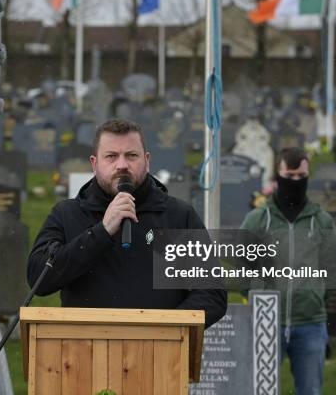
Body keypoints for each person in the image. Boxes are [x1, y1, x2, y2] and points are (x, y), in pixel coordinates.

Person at [27, 119, 227, 328]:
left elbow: (212, 295)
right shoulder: (67, 214)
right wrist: (100, 233)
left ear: (147, 160)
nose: (122, 165)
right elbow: (38, 279)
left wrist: (164, 330)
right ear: (95, 164)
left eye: (131, 156)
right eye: (111, 156)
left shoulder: (178, 216)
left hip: (160, 353)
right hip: (85, 352)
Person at [240, 148, 336, 395]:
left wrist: (316, 296)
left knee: (310, 390)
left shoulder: (322, 221)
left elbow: (332, 268)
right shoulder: (257, 220)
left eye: (301, 176)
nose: (295, 181)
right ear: (278, 175)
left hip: (310, 323)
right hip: (266, 323)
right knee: (259, 390)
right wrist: (254, 294)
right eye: (290, 175)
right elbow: (242, 264)